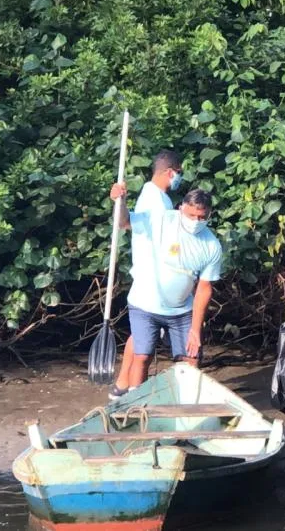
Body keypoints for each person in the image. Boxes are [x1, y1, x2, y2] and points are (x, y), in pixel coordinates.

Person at [109, 183, 223, 387]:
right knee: (142, 356)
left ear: (209, 215)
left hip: (181, 310)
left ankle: (184, 410)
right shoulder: (160, 219)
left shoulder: (211, 245)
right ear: (181, 209)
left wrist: (195, 330)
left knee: (191, 358)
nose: (196, 222)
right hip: (145, 304)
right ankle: (136, 405)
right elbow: (124, 221)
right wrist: (121, 201)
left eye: (202, 218)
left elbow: (204, 289)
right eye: (191, 215)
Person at [109, 150, 184, 400]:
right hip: (151, 279)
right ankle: (131, 392)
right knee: (144, 342)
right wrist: (119, 203)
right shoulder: (153, 199)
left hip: (154, 276)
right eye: (179, 173)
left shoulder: (159, 198)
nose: (179, 178)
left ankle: (121, 385)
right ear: (169, 172)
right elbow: (125, 222)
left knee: (139, 334)